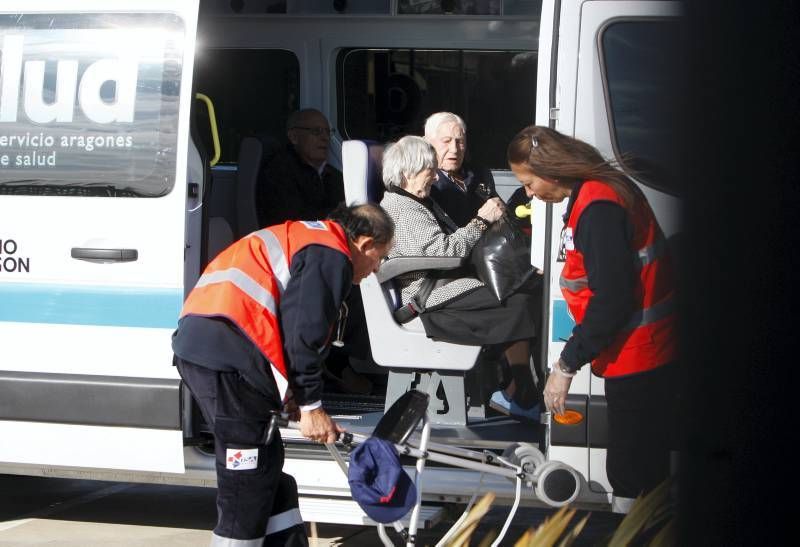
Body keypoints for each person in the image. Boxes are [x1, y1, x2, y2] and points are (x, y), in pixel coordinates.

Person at [172, 203, 394, 546]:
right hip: (228, 359)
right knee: (246, 484)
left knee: (270, 471)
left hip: (214, 351)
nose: (375, 268)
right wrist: (311, 407)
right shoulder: (331, 254)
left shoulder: (308, 238)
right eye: (380, 256)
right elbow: (302, 335)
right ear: (365, 243)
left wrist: (291, 397)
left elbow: (281, 323)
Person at [507, 125, 677, 512]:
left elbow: (613, 298)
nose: (529, 193)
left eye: (529, 183)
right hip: (639, 349)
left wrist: (565, 365)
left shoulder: (599, 208)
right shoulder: (598, 193)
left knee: (632, 473)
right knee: (641, 465)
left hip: (640, 352)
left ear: (551, 172)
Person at [380, 135, 541, 420]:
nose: (432, 177)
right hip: (431, 298)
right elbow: (442, 253)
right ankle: (515, 389)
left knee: (522, 290)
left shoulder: (418, 200)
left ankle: (512, 386)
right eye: (427, 171)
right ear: (406, 173)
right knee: (517, 299)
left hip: (445, 286)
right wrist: (480, 221)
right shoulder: (403, 209)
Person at [256, 108, 345, 227]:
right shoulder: (278, 172)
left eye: (328, 132)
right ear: (294, 137)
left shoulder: (334, 175)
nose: (325, 138)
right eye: (317, 131)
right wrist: (341, 215)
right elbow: (294, 220)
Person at [423, 112, 500, 227]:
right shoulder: (424, 183)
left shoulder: (480, 174)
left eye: (460, 141)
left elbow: (499, 213)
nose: (454, 149)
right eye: (446, 141)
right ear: (428, 143)